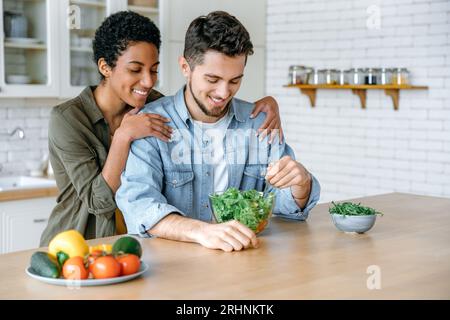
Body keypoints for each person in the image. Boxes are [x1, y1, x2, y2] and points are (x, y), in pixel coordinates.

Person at [39, 11, 285, 246]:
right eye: (135, 70)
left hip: (130, 244)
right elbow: (99, 201)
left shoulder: (152, 104)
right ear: (105, 67)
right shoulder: (68, 119)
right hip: (79, 241)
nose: (148, 81)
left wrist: (268, 105)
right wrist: (123, 136)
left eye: (154, 70)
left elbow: (194, 105)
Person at [116, 11, 321, 252]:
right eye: (212, 79)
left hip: (247, 264)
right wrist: (202, 232)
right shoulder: (151, 123)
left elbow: (284, 207)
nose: (224, 93)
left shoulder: (258, 123)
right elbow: (139, 204)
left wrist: (301, 184)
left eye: (234, 81)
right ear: (185, 67)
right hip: (174, 271)